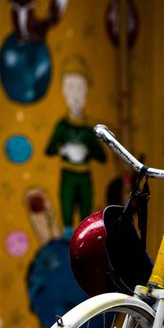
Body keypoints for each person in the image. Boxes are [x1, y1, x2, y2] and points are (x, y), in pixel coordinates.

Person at [45, 55, 106, 239]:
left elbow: (102, 157)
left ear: (87, 91)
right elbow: (49, 149)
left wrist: (89, 150)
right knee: (67, 206)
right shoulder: (62, 126)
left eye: (80, 87)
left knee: (85, 212)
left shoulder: (90, 129)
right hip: (68, 174)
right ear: (63, 90)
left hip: (85, 175)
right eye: (70, 87)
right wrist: (63, 150)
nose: (75, 94)